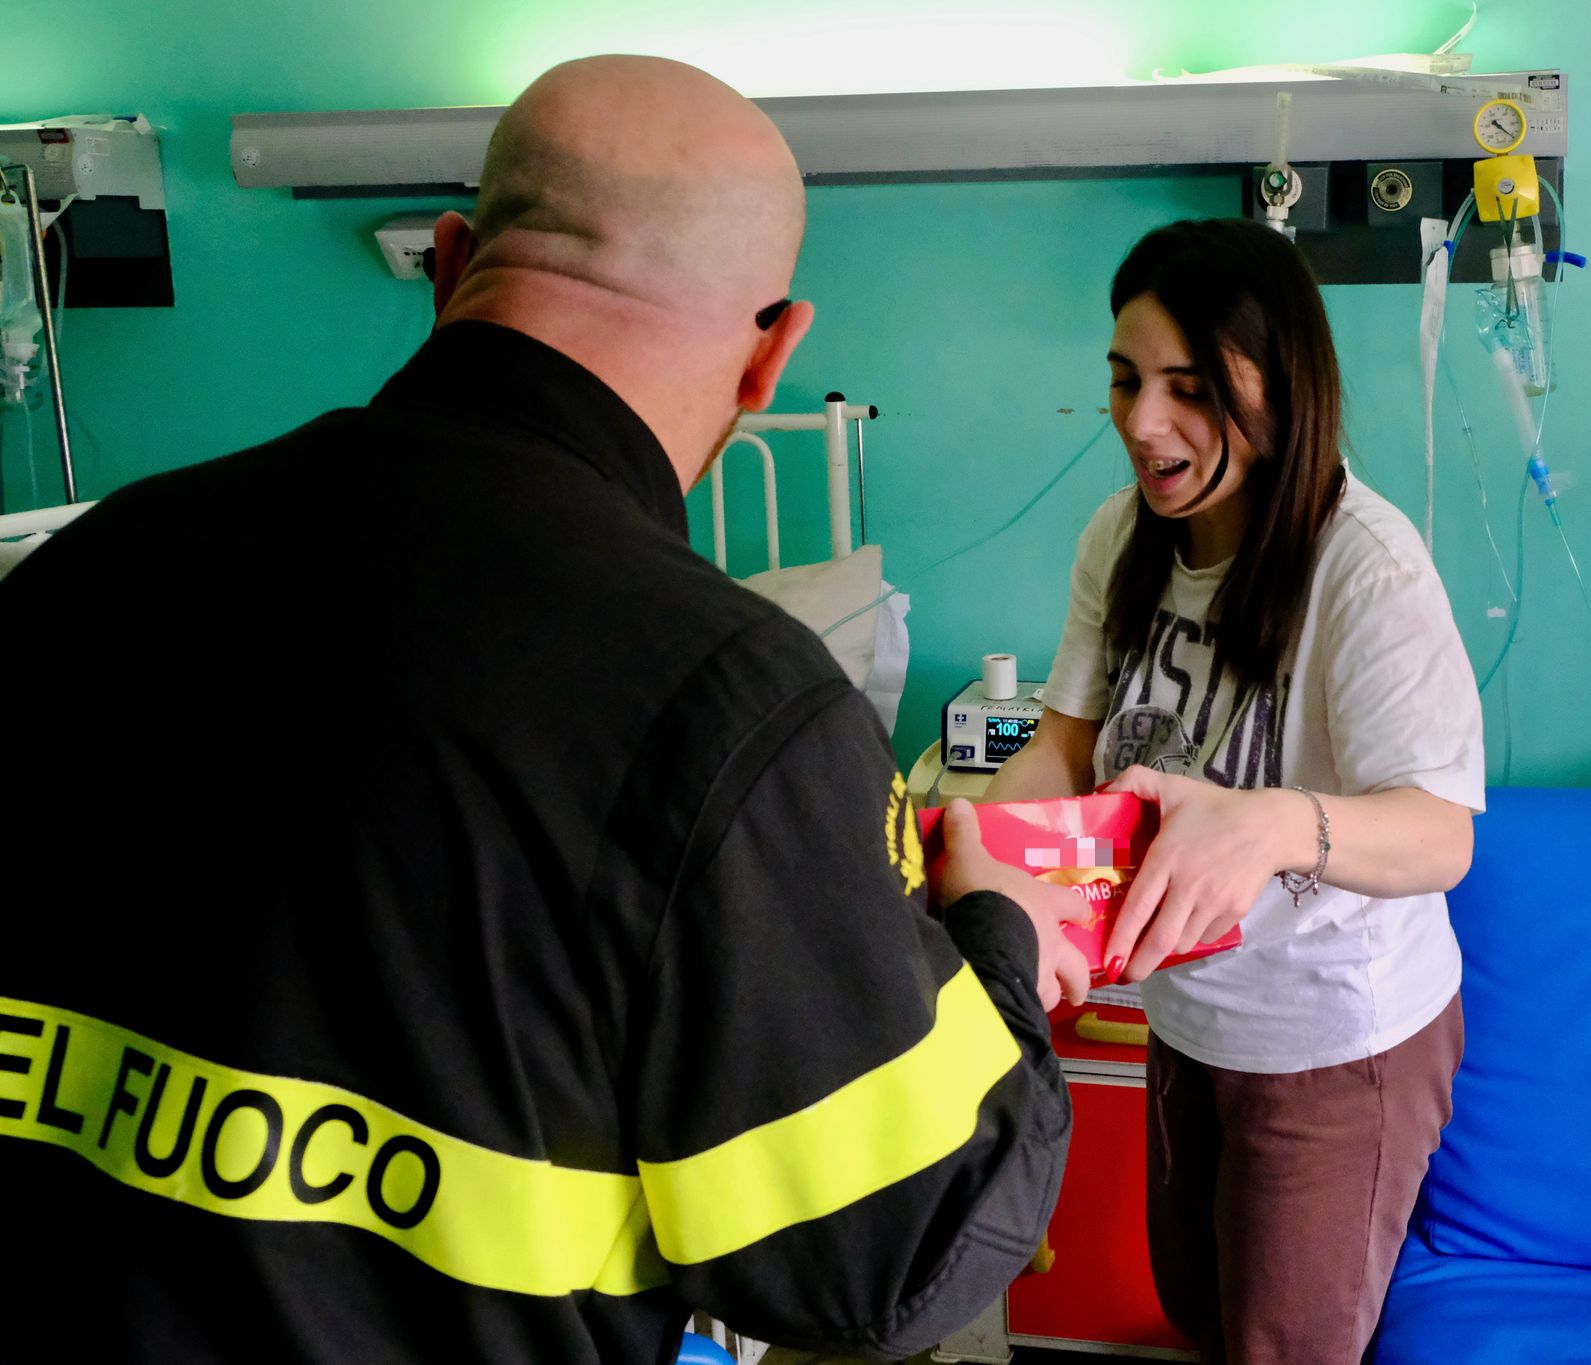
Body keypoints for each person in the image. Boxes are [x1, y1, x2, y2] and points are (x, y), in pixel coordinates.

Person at [0, 55, 1089, 1364]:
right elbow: (892, 1260)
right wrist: (1001, 939)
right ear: (770, 354)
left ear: (451, 262)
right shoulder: (729, 709)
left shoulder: (90, 570)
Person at [984, 217, 1484, 1364]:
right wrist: (970, 843)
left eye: (1188, 387)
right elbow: (1064, 746)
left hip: (1329, 1043)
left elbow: (1438, 835)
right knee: (1202, 1316)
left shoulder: (1366, 569)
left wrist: (1267, 826)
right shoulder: (1123, 536)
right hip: (1188, 1013)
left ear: (1279, 385)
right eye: (1123, 381)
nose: (1139, 422)